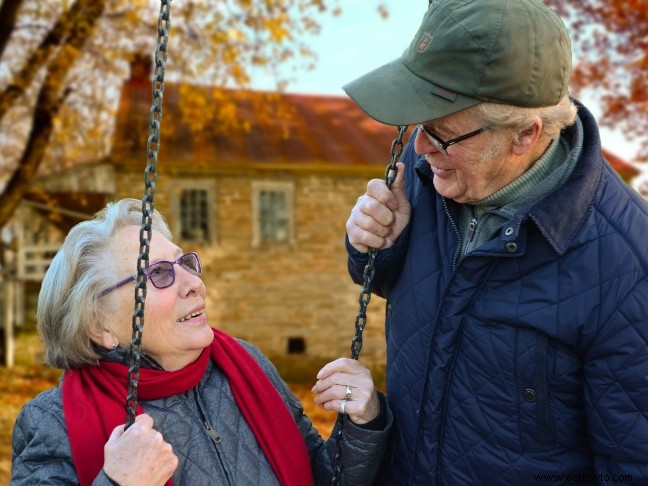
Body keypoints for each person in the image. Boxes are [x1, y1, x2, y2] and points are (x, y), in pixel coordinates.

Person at [343, 0, 648, 484]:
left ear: (525, 135)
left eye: (442, 134)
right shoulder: (431, 168)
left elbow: (634, 465)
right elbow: (392, 284)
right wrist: (374, 245)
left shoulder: (629, 269)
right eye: (420, 125)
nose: (421, 147)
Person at [11, 198, 392, 485]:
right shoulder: (52, 422)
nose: (194, 284)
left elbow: (322, 477)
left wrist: (362, 422)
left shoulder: (246, 364)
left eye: (185, 263)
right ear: (100, 327)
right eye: (158, 274)